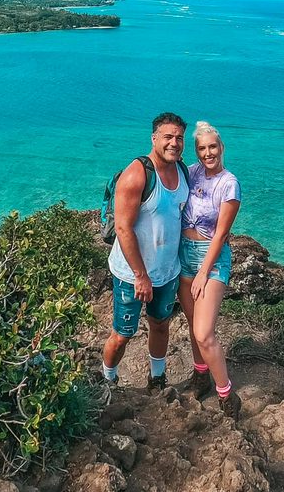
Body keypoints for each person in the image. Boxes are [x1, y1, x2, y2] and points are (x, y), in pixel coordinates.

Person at [102, 112, 189, 390]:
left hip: (167, 271)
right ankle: (108, 379)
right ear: (154, 139)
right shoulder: (137, 175)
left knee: (161, 324)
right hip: (132, 274)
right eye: (167, 137)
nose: (174, 143)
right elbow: (123, 229)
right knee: (123, 334)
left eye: (179, 137)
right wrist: (141, 276)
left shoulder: (182, 171)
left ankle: (157, 377)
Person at [176, 120, 242, 418]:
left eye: (212, 147)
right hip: (183, 253)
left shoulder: (230, 184)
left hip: (210, 258)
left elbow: (220, 235)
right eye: (201, 148)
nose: (207, 153)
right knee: (192, 324)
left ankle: (227, 395)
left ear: (222, 147)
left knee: (204, 332)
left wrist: (204, 271)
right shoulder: (190, 173)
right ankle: (200, 373)